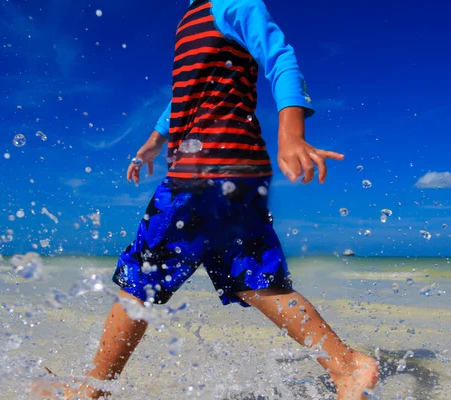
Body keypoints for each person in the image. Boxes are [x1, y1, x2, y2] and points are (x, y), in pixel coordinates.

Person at [40, 0, 378, 398]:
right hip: (232, 171)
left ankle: (91, 390)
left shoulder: (234, 4)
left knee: (142, 278)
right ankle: (347, 364)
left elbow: (280, 56)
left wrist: (291, 134)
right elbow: (187, 93)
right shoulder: (192, 16)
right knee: (253, 278)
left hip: (205, 169)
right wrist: (152, 143)